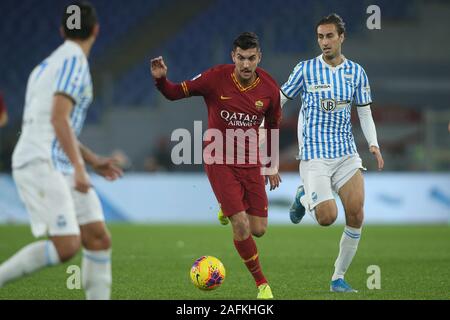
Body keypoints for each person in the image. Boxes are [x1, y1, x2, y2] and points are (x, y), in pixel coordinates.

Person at [0, 2, 123, 300]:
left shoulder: (46, 66)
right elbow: (58, 118)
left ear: (62, 30)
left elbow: (55, 123)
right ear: (96, 30)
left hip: (56, 160)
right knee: (67, 246)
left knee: (97, 237)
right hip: (41, 161)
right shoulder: (75, 63)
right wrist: (81, 170)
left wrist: (92, 161)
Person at [150, 32, 282, 299]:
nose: (246, 64)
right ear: (233, 56)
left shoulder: (269, 88)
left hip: (250, 161)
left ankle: (226, 207)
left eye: (251, 58)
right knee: (242, 225)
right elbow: (175, 93)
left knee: (259, 230)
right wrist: (162, 80)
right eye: (241, 58)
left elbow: (273, 125)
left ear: (259, 58)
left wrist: (271, 164)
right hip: (219, 159)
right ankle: (262, 284)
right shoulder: (215, 78)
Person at [281, 13, 384, 293]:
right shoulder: (305, 69)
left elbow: (364, 111)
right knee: (327, 218)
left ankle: (338, 278)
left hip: (346, 154)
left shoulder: (356, 72)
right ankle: (304, 195)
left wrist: (373, 143)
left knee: (356, 215)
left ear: (341, 37)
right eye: (320, 37)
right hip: (315, 154)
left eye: (329, 36)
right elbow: (279, 99)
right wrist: (262, 121)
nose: (324, 42)